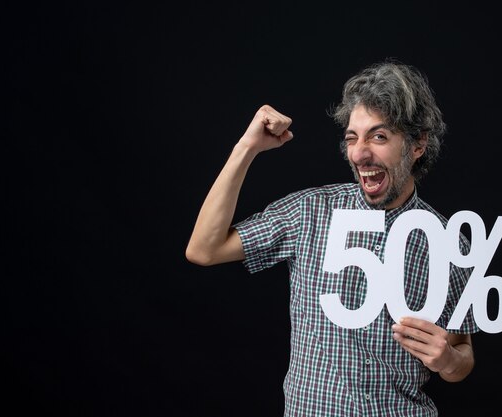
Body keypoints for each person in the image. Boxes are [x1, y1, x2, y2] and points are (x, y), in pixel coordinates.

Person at [185, 60, 478, 416]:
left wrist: (447, 359)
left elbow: (462, 356)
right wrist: (247, 148)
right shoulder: (310, 212)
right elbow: (204, 249)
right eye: (352, 137)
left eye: (379, 136)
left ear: (417, 145)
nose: (359, 153)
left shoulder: (447, 242)